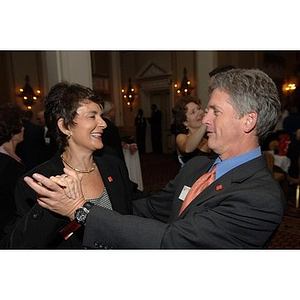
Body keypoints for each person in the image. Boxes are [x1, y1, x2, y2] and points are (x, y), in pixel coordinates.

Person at [21, 69, 285, 249]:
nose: (205, 119)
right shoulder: (197, 167)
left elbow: (174, 240)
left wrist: (80, 210)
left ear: (248, 120)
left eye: (215, 111)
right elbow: (141, 208)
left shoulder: (260, 197)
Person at [1, 82, 142, 249]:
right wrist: (49, 205)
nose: (103, 123)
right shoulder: (40, 182)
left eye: (101, 115)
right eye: (92, 116)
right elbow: (15, 246)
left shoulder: (113, 164)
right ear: (65, 126)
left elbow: (136, 204)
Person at [0, 103, 26, 240]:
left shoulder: (8, 158)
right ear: (12, 130)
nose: (23, 129)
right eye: (20, 125)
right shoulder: (9, 165)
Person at [172, 95, 214, 167]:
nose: (200, 112)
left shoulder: (209, 136)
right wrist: (206, 123)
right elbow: (187, 148)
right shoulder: (181, 137)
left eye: (199, 108)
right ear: (185, 122)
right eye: (193, 112)